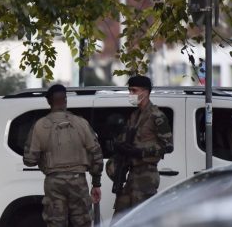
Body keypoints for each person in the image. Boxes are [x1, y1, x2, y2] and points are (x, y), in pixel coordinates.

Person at [23, 84, 104, 227]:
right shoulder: (81, 123)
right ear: (65, 100)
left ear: (49, 102)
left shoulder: (40, 126)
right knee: (82, 223)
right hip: (78, 181)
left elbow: (29, 160)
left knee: (55, 223)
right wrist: (96, 183)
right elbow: (96, 154)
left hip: (53, 182)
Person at [110, 75, 173, 221]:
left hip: (146, 174)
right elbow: (126, 138)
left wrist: (141, 152)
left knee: (142, 220)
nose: (131, 94)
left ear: (145, 92)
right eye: (130, 90)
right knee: (120, 219)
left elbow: (168, 146)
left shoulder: (157, 116)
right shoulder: (134, 115)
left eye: (134, 90)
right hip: (131, 173)